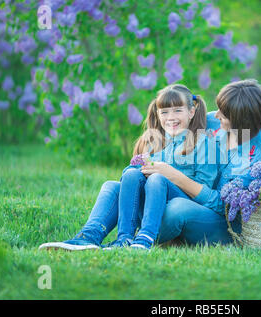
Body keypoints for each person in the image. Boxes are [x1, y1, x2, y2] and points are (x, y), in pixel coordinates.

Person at [39, 84, 218, 251]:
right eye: (164, 112)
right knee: (118, 181)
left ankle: (144, 239)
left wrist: (169, 175)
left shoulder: (203, 143)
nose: (170, 117)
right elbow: (131, 177)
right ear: (158, 114)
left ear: (192, 112)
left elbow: (202, 189)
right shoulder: (157, 143)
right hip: (151, 203)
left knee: (156, 178)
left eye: (178, 110)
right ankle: (100, 237)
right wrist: (138, 167)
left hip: (180, 206)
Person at [147, 79, 261, 245]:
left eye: (224, 113)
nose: (216, 115)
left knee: (178, 209)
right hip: (178, 195)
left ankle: (144, 236)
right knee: (114, 188)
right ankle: (127, 234)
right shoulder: (210, 122)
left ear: (242, 120)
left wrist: (176, 177)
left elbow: (226, 207)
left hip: (220, 221)